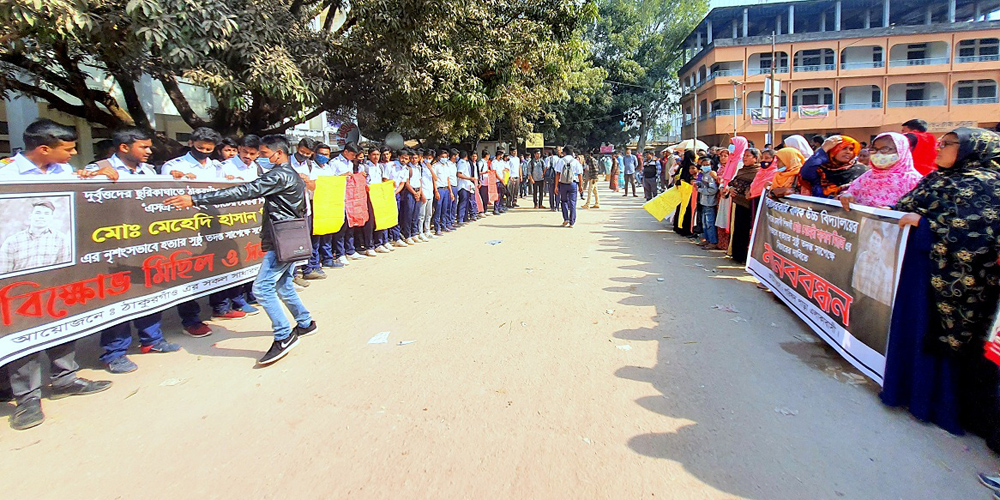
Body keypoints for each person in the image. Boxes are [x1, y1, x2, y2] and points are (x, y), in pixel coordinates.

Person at [165, 134, 316, 366]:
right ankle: (305, 322)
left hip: (281, 238)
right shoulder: (291, 174)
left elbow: (244, 191)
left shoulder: (280, 175)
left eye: (264, 154)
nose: (261, 159)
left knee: (263, 288)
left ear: (279, 153)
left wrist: (195, 199)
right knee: (283, 284)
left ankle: (284, 335)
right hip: (289, 236)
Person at [0, 119, 112, 430]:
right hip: (17, 275)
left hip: (60, 267)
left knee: (60, 321)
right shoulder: (5, 175)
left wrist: (102, 176)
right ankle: (27, 399)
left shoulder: (64, 173)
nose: (74, 153)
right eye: (69, 149)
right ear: (44, 149)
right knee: (23, 330)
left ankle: (65, 379)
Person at [892, 127, 1000, 452]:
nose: (939, 149)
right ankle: (911, 395)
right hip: (919, 275)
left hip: (959, 285)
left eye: (948, 144)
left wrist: (925, 225)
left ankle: (949, 409)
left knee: (949, 348)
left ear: (972, 149)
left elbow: (979, 237)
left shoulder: (989, 185)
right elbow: (903, 204)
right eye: (940, 143)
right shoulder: (938, 178)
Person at [84, 128, 184, 374]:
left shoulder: (149, 172)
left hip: (146, 246)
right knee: (119, 298)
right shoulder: (99, 169)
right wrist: (94, 176)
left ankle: (152, 340)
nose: (149, 152)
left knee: (149, 291)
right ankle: (114, 353)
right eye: (144, 147)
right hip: (113, 249)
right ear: (124, 147)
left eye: (149, 147)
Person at [160, 127, 222, 336]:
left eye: (209, 149)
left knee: (216, 264)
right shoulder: (174, 166)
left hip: (214, 223)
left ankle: (220, 307)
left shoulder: (217, 167)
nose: (204, 152)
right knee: (188, 269)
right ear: (190, 144)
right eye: (200, 148)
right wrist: (174, 178)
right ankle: (191, 319)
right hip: (186, 226)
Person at [839, 132, 923, 210]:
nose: (878, 154)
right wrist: (846, 196)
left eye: (885, 149)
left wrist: (892, 209)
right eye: (874, 149)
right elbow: (851, 193)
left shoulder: (913, 180)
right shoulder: (867, 176)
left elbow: (919, 210)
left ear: (901, 150)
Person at [800, 135, 867, 199]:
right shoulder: (820, 169)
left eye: (851, 149)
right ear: (832, 149)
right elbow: (805, 173)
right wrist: (824, 149)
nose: (848, 152)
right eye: (843, 148)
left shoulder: (861, 170)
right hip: (820, 209)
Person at [725, 148, 761, 263]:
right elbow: (732, 183)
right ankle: (736, 254)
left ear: (755, 158)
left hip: (750, 206)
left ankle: (745, 256)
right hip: (737, 203)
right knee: (737, 229)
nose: (745, 158)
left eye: (748, 156)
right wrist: (730, 189)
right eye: (744, 155)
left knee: (746, 231)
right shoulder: (741, 170)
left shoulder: (758, 172)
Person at [555, 145, 583, 227]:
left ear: (564, 152)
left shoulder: (561, 161)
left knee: (564, 201)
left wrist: (556, 186)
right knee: (573, 203)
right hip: (573, 184)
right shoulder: (575, 162)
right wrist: (580, 186)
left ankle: (565, 219)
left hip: (563, 184)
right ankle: (572, 222)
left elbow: (557, 174)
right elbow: (580, 175)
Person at [696, 158, 719, 247]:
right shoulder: (703, 175)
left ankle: (712, 241)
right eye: (703, 165)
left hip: (710, 202)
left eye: (707, 165)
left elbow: (713, 190)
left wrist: (700, 190)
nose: (705, 166)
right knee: (704, 222)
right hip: (704, 201)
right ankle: (707, 239)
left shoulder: (710, 176)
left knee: (710, 223)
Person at [673, 151, 697, 236]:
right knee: (687, 210)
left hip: (683, 191)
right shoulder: (693, 166)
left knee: (681, 209)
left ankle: (678, 226)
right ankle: (686, 229)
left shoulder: (682, 167)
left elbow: (676, 177)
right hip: (689, 192)